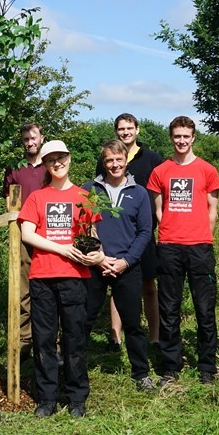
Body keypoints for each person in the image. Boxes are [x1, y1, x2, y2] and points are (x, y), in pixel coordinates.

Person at [18, 140, 104, 419]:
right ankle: (47, 397)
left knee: (75, 338)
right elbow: (27, 234)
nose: (57, 163)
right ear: (44, 164)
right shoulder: (37, 198)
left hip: (75, 276)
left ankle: (77, 396)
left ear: (69, 158)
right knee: (43, 339)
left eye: (61, 157)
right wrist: (61, 248)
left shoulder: (84, 196)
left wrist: (98, 255)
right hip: (42, 276)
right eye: (50, 159)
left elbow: (92, 237)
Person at [147, 115, 219, 386]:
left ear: (193, 138)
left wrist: (204, 237)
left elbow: (213, 209)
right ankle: (171, 366)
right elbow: (158, 209)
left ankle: (206, 367)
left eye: (185, 136)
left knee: (205, 309)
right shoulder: (161, 171)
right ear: (172, 138)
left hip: (200, 247)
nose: (181, 140)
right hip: (169, 246)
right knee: (169, 308)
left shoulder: (207, 170)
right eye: (177, 136)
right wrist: (168, 234)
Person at [84, 139, 155, 391]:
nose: (114, 165)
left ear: (126, 160)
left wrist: (126, 261)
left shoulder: (139, 193)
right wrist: (99, 256)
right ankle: (76, 369)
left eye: (118, 160)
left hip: (128, 266)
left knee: (133, 323)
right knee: (84, 319)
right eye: (109, 160)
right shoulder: (90, 190)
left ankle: (141, 373)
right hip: (95, 265)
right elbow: (84, 226)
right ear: (103, 163)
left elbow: (145, 232)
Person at [96, 113, 163, 349]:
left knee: (148, 286)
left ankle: (154, 336)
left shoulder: (152, 158)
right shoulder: (107, 156)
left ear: (138, 130)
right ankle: (116, 336)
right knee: (117, 283)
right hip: (116, 233)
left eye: (129, 128)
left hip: (143, 233)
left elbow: (159, 193)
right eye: (121, 129)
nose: (125, 132)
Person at [3, 122, 46, 357]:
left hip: (48, 234)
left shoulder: (50, 165)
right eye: (26, 140)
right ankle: (24, 338)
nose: (30, 143)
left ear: (42, 138)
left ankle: (51, 339)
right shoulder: (15, 168)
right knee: (23, 288)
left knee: (48, 286)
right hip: (22, 234)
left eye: (33, 138)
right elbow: (8, 198)